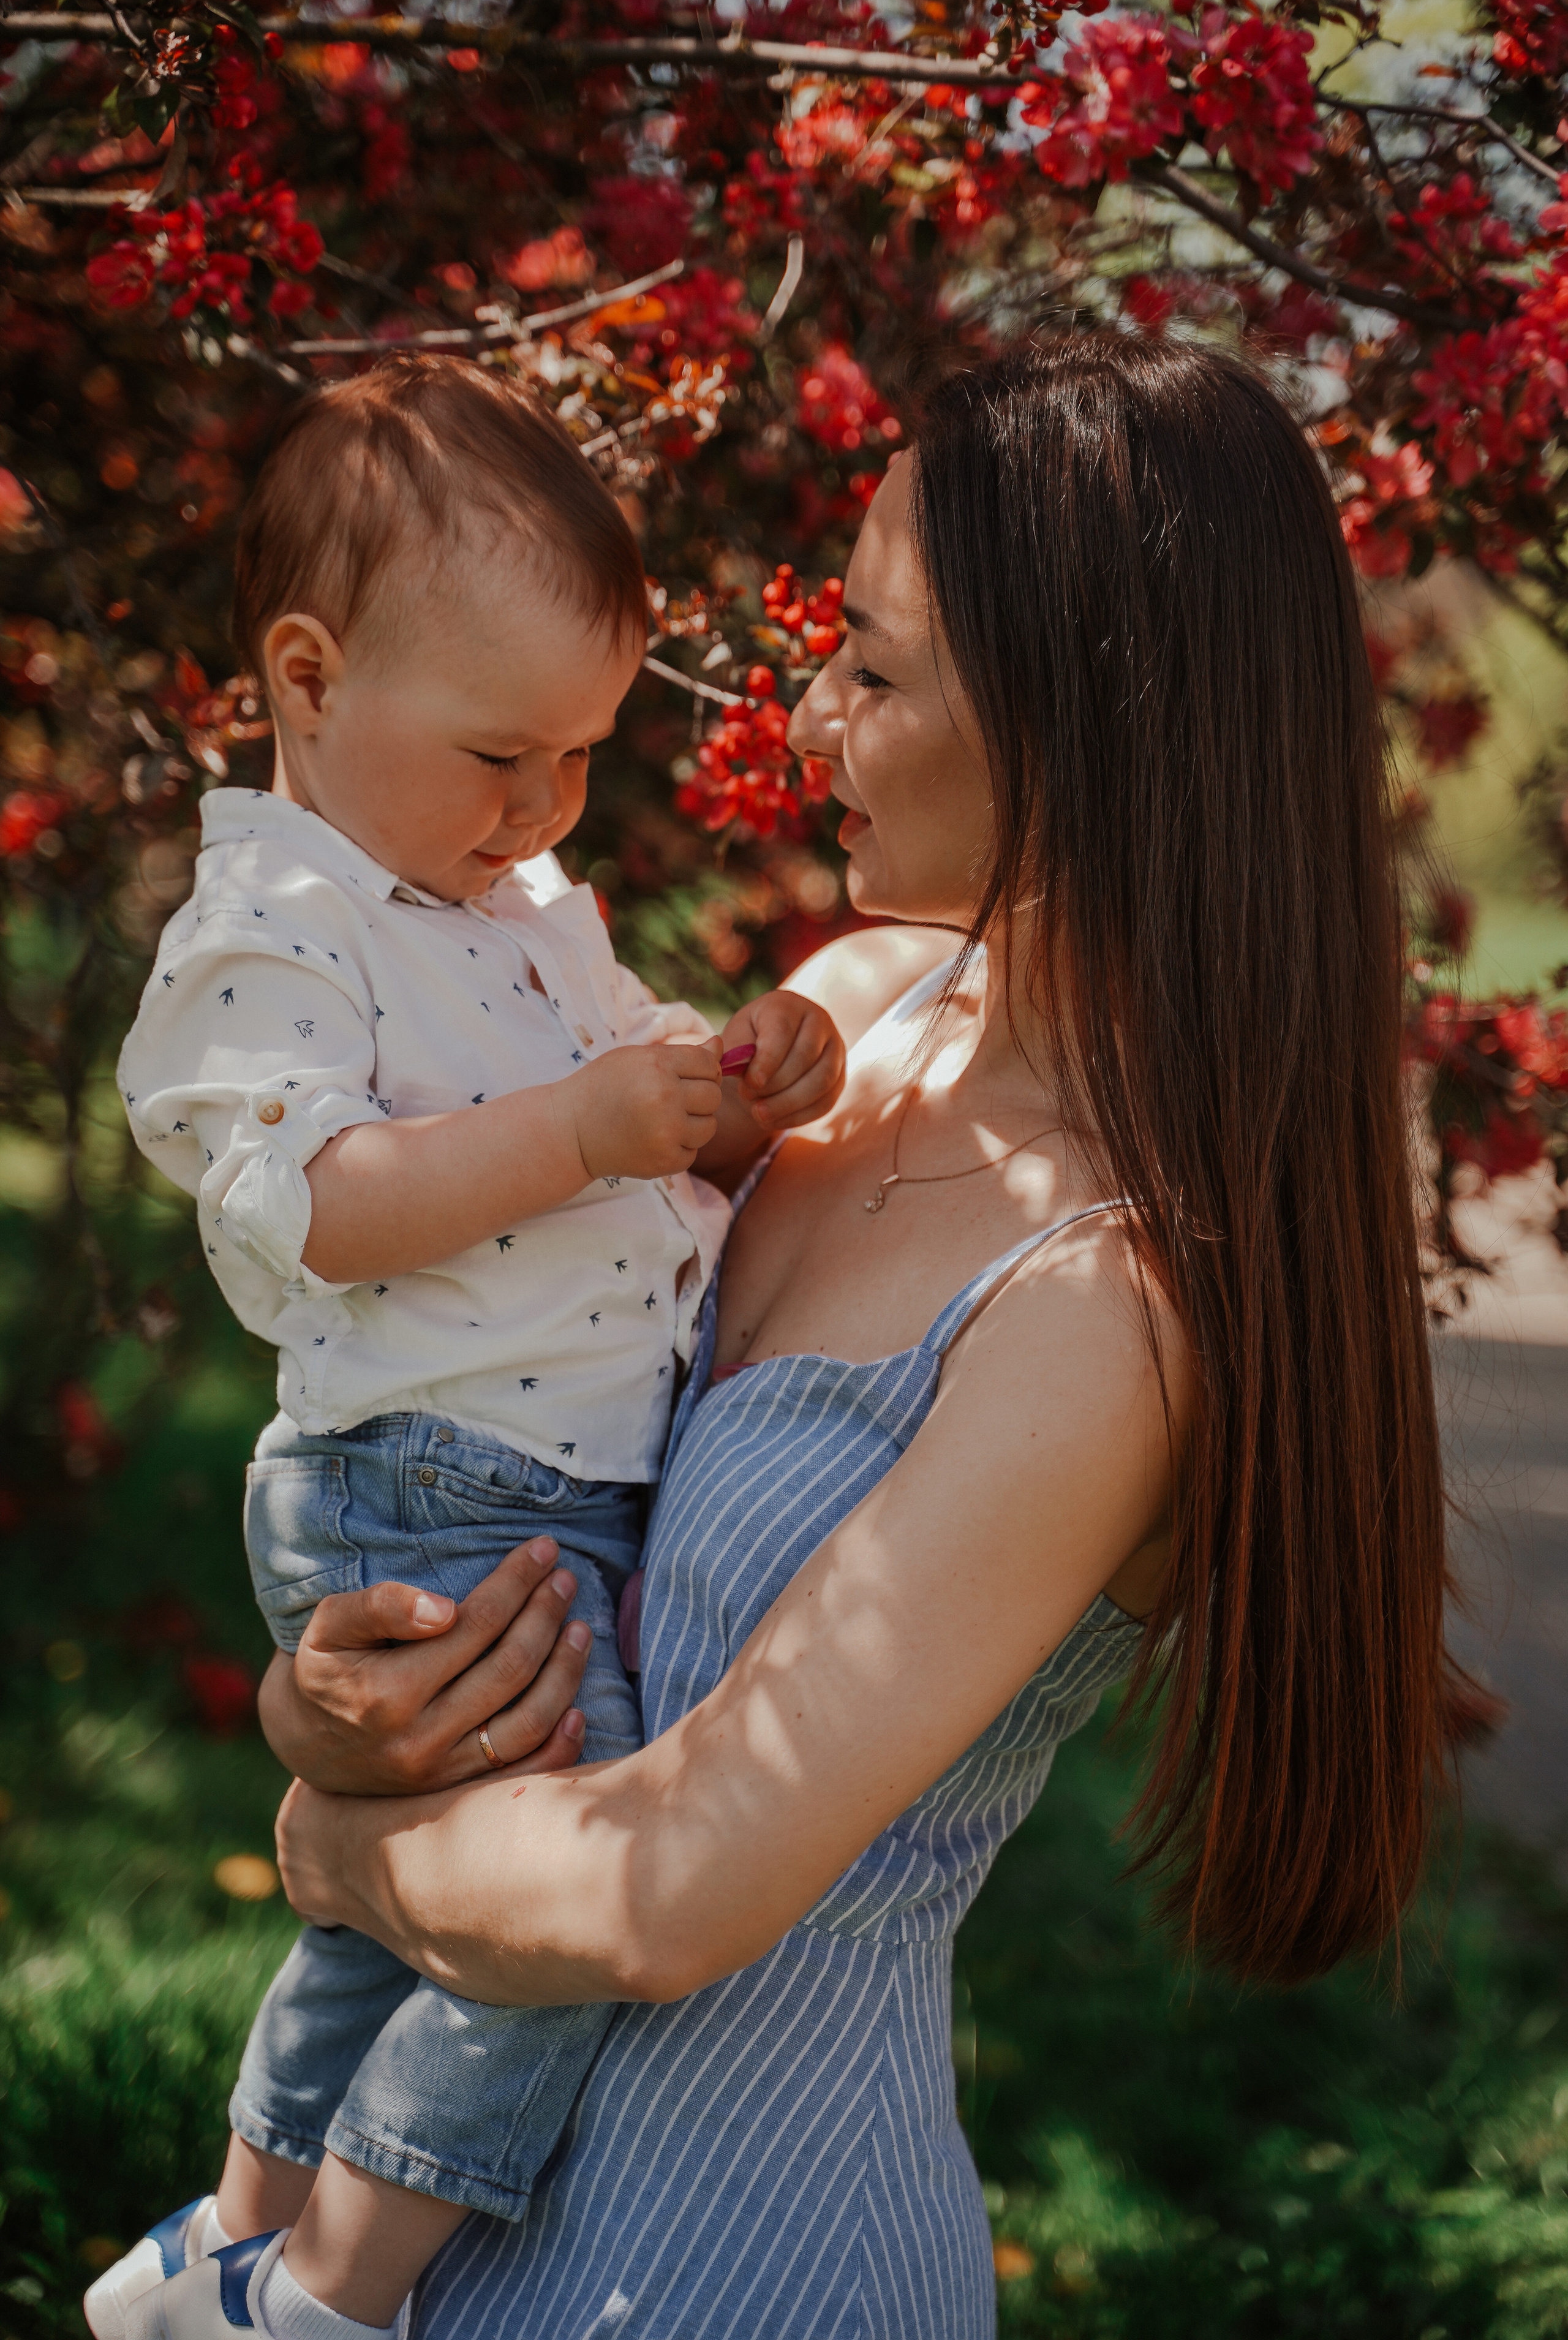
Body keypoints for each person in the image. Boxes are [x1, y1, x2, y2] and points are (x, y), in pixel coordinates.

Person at [171, 331, 1464, 2339]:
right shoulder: (851, 1011)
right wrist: (331, 1709)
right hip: (437, 2210)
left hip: (730, 2265)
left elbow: (675, 1884)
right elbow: (511, 1423)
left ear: (1076, 723)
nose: (805, 714)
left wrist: (335, 1846)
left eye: (871, 669)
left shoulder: (1109, 1302)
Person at [97, 357, 845, 2340]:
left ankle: (223, 2252)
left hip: (517, 1480)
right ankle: (336, 2299)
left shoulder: (506, 903)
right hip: (427, 1480)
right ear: (311, 676)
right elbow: (314, 1211)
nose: (542, 808)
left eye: (583, 758)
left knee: (391, 1921)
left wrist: (727, 1095)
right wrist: (582, 1131)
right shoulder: (280, 916)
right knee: (547, 1913)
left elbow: (622, 1121)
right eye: (504, 751)